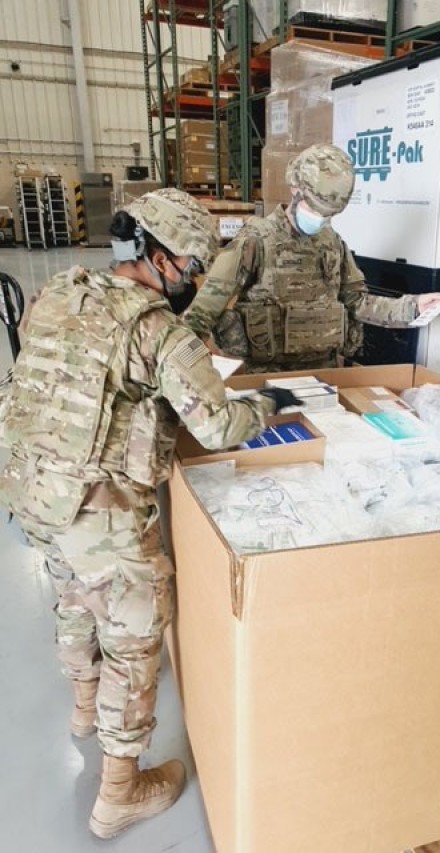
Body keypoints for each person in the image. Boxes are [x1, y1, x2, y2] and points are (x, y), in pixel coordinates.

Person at [0, 188, 300, 839]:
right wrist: (269, 403)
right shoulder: (157, 329)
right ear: (158, 257)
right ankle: (119, 791)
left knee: (74, 601)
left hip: (39, 494)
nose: (192, 279)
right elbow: (218, 424)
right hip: (102, 513)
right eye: (190, 266)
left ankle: (83, 706)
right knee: (136, 638)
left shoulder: (61, 291)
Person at [184, 143, 440, 372]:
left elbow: (357, 302)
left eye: (328, 214)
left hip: (324, 372)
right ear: (295, 190)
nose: (321, 219)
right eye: (315, 208)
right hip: (266, 376)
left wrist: (412, 307)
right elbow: (203, 310)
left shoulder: (332, 243)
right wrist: (187, 367)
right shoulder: (256, 240)